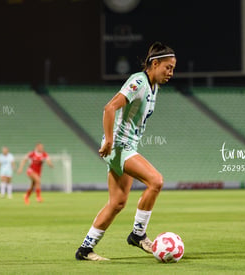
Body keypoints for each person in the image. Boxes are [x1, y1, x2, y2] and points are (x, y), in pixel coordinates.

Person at [75, 42, 176, 261]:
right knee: (156, 181)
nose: (171, 73)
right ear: (154, 63)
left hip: (127, 147)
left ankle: (85, 250)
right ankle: (138, 234)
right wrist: (109, 140)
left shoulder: (153, 86)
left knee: (117, 202)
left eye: (173, 68)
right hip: (120, 147)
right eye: (167, 67)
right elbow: (110, 107)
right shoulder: (138, 81)